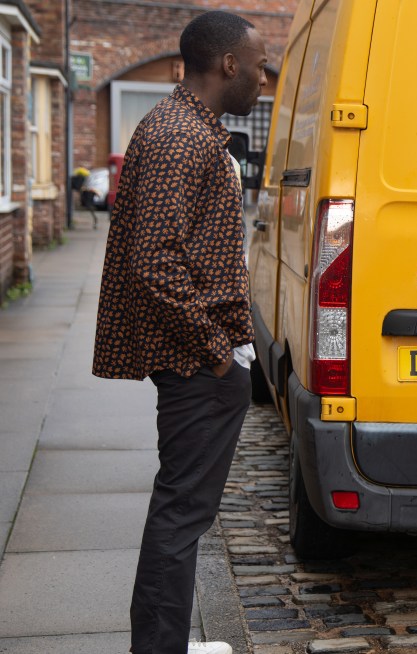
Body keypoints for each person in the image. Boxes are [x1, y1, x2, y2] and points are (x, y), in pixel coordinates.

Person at [92, 11, 267, 654]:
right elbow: (153, 260)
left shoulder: (187, 129)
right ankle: (160, 648)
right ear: (227, 64)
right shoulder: (178, 136)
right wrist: (218, 353)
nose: (262, 74)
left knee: (184, 513)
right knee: (181, 514)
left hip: (198, 358)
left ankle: (164, 640)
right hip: (197, 362)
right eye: (258, 62)